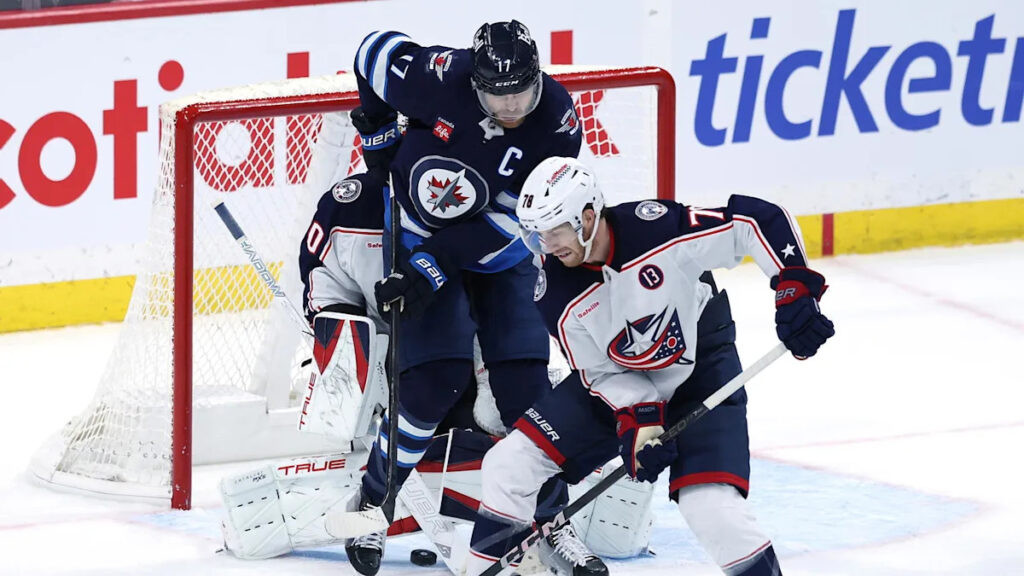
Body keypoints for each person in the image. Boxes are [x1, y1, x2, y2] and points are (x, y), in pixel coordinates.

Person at [463, 157, 836, 576]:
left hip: (702, 373)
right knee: (509, 463)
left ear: (588, 216)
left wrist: (794, 288)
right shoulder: (555, 292)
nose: (546, 245)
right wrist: (640, 420)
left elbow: (754, 221)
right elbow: (599, 372)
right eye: (537, 234)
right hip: (620, 382)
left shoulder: (658, 230)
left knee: (710, 508)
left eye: (554, 230)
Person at [344, 20, 608, 576]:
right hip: (416, 234)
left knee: (526, 394)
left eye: (523, 91)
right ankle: (371, 504)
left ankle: (549, 521)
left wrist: (435, 266)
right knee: (430, 386)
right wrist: (378, 131)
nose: (512, 105)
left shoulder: (556, 122)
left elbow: (512, 222)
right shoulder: (436, 76)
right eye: (498, 95)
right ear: (474, 84)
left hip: (502, 255)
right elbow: (371, 51)